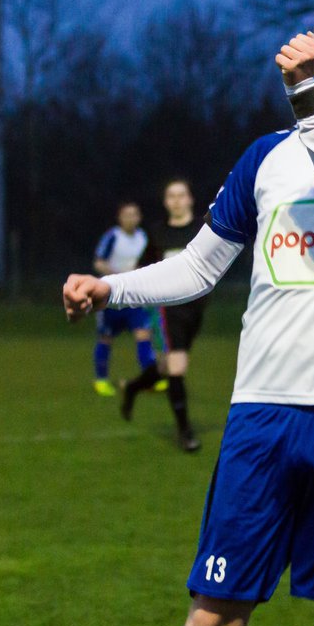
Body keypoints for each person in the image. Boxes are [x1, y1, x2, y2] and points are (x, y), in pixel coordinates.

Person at [63, 3, 314, 626]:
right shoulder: (266, 156)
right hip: (262, 411)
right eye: (310, 49)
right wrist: (109, 288)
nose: (310, 58)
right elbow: (199, 267)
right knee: (212, 614)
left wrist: (306, 99)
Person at [120, 178, 207, 452]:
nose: (177, 201)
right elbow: (142, 270)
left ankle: (133, 387)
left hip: (195, 309)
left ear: (191, 199)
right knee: (178, 365)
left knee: (166, 368)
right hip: (166, 309)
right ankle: (185, 433)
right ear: (166, 202)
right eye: (171, 196)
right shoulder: (158, 235)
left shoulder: (204, 231)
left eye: (182, 195)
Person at [90, 202, 160, 397]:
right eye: (127, 214)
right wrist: (118, 276)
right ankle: (101, 380)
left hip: (133, 297)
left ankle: (151, 378)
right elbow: (99, 263)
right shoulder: (112, 237)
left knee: (143, 335)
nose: (131, 218)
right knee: (105, 338)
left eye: (134, 214)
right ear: (120, 217)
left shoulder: (142, 238)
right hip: (110, 297)